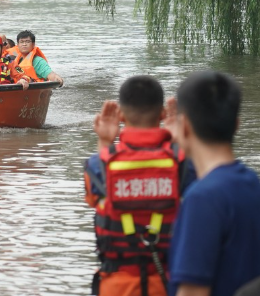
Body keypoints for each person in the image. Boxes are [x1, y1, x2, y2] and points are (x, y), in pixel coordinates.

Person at [83, 75, 195, 296]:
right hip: (169, 284)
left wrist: (105, 141)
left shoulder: (97, 165)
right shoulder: (184, 165)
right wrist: (178, 143)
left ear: (121, 116)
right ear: (162, 114)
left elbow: (96, 192)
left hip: (115, 287)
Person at [165, 71, 260, 296]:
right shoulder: (253, 184)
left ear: (185, 126)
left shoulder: (202, 199)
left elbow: (192, 292)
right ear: (236, 125)